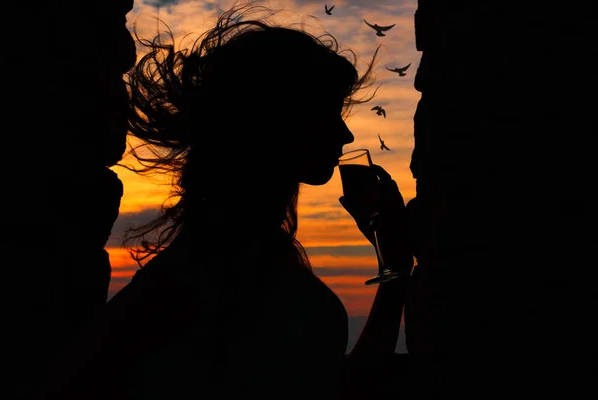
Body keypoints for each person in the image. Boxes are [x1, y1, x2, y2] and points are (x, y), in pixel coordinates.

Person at [34, 2, 414, 399]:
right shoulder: (193, 276)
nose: (346, 136)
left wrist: (395, 267)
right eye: (328, 114)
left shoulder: (243, 257)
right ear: (275, 120)